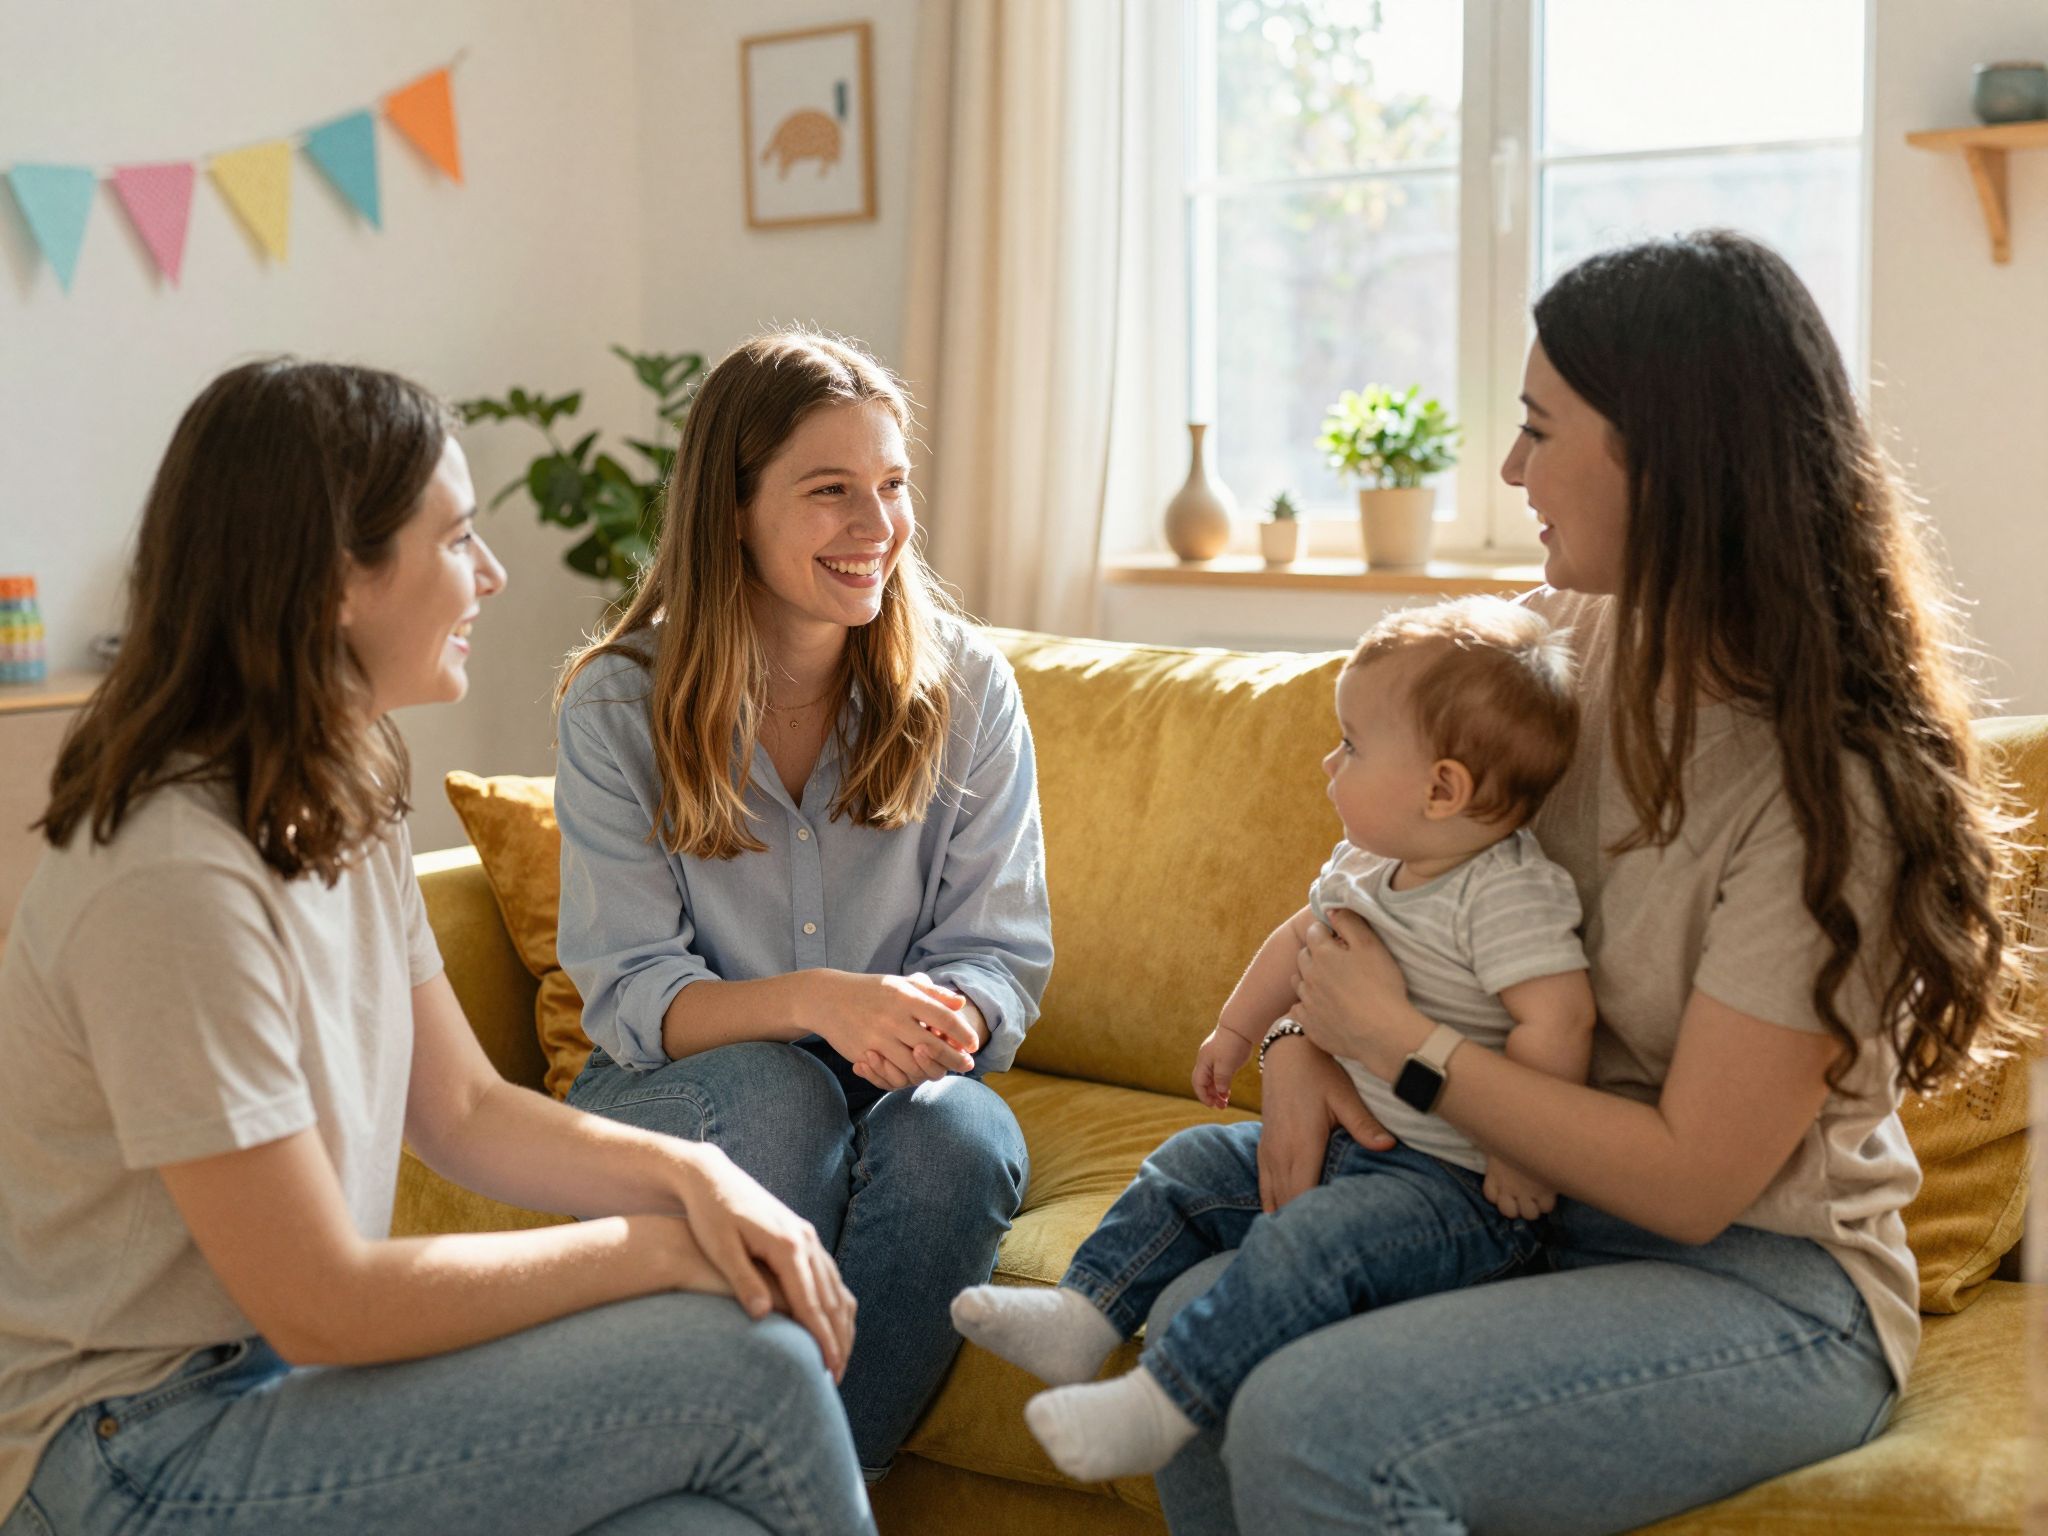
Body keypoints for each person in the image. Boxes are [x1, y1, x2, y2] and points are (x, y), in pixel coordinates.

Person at [1142, 229, 2027, 1536]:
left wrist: (1404, 1044)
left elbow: (1690, 1182)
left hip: (1767, 1285)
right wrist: (1296, 1041)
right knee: (1187, 1342)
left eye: (1539, 429)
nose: (1509, 468)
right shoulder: (1547, 653)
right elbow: (1379, 898)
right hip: (1520, 1215)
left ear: (1666, 461)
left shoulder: (1826, 785)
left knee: (1316, 1422)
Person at [0, 359, 872, 1536]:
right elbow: (322, 1302)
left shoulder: (338, 793)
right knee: (753, 1367)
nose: (495, 575)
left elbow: (459, 1108)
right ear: (335, 582)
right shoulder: (172, 876)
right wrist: (655, 1252)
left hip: (271, 1393)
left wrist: (694, 1175)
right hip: (126, 1448)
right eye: (458, 538)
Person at [554, 329, 1052, 1479]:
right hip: (681, 1081)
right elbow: (633, 993)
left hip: (895, 1076)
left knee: (960, 1136)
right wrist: (821, 1004)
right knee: (781, 1094)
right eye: (830, 492)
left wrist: (951, 1019)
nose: (875, 525)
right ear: (731, 510)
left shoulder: (966, 687)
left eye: (890, 486)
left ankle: (789, 1490)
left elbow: (997, 953)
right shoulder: (617, 708)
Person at [953, 598, 1596, 1481]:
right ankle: (1082, 1316)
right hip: (1348, 1148)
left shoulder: (1507, 893)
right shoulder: (1367, 862)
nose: (1328, 760)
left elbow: (1559, 1020)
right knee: (1189, 1165)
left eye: (1353, 746)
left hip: (1458, 1197)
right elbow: (1300, 936)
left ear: (1442, 788)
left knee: (1309, 1243)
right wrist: (1237, 1028)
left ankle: (1159, 1404)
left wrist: (1528, 1154)